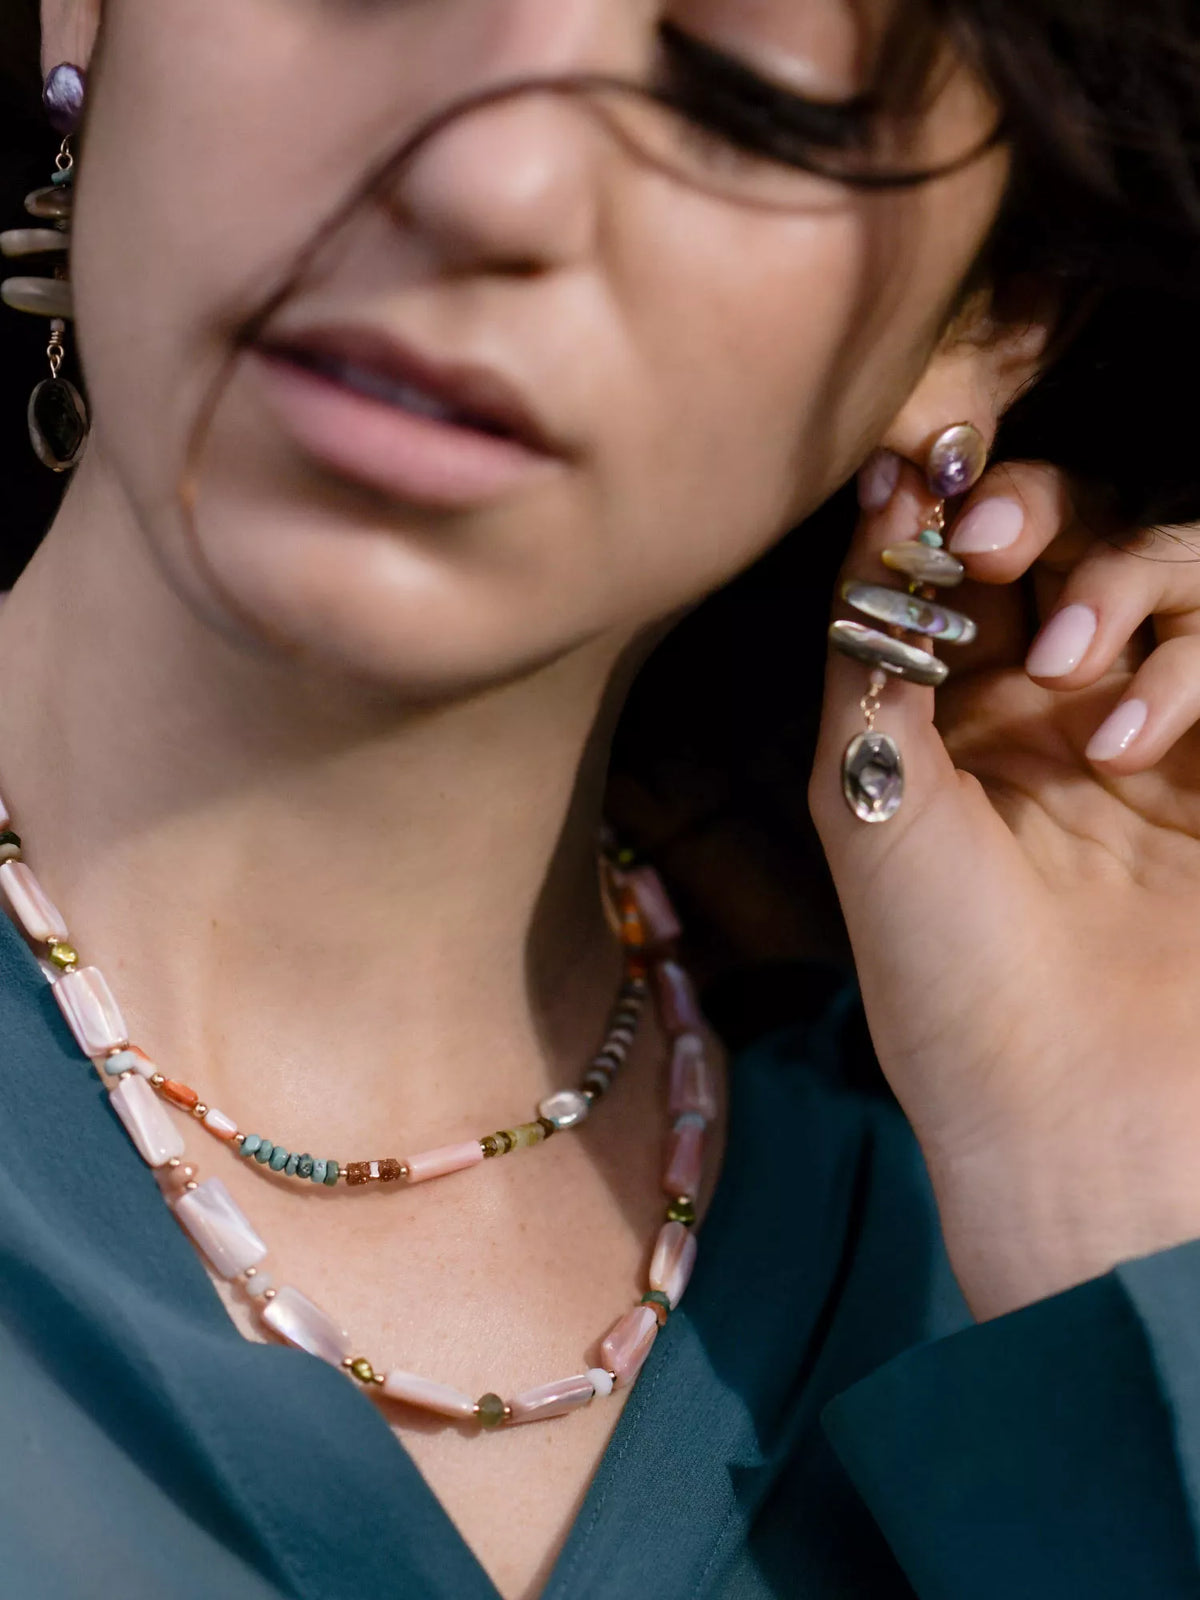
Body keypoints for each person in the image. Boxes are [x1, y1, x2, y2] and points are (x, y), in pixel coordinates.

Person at [2, 1, 1200, 1596]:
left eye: (745, 97)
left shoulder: (977, 1255)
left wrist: (1126, 1239)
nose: (490, 185)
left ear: (987, 324)